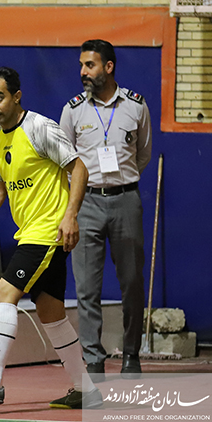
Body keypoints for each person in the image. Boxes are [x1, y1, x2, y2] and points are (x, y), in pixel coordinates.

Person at [0, 66, 100, 410]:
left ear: (16, 96)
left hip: (47, 231)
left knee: (4, 293)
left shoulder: (40, 128)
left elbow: (78, 168)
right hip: (31, 233)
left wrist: (70, 216)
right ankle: (86, 390)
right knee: (50, 312)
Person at [59, 39, 152, 375]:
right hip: (86, 203)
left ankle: (131, 355)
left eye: (90, 65)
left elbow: (143, 154)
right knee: (86, 287)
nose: (83, 72)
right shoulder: (72, 110)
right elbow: (65, 161)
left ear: (108, 67)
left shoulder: (136, 106)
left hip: (126, 200)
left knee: (132, 282)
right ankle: (94, 360)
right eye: (81, 65)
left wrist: (120, 182)